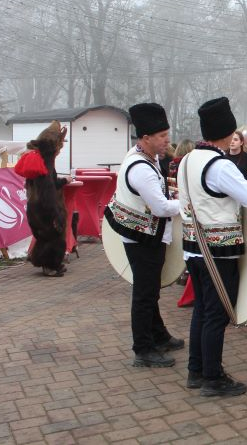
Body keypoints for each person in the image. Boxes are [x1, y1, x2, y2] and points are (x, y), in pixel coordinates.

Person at [178, 97, 247, 398]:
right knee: (216, 314)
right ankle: (212, 377)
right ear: (228, 131)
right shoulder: (219, 166)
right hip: (218, 253)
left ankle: (196, 370)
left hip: (193, 248)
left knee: (203, 312)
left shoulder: (187, 160)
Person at [104, 103, 184, 368]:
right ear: (146, 138)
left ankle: (158, 335)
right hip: (142, 237)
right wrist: (186, 205)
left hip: (141, 232)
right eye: (162, 137)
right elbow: (161, 208)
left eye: (167, 134)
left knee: (150, 289)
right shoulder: (141, 168)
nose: (167, 140)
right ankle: (143, 349)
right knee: (145, 293)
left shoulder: (145, 156)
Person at [14, 121, 70, 277]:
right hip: (44, 208)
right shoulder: (45, 163)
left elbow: (49, 184)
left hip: (34, 207)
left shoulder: (38, 161)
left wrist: (65, 181)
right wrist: (56, 214)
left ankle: (49, 264)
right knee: (55, 237)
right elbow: (48, 191)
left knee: (44, 237)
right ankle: (50, 266)